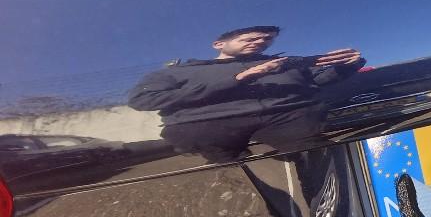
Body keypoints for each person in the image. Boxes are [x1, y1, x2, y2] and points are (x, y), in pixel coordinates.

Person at [127, 26, 363, 163]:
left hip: (288, 120)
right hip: (210, 128)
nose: (260, 42)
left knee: (325, 160)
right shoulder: (179, 71)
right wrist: (238, 79)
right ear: (218, 44)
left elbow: (315, 82)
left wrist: (348, 66)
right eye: (250, 38)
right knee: (234, 172)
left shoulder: (283, 64)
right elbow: (143, 99)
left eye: (266, 39)